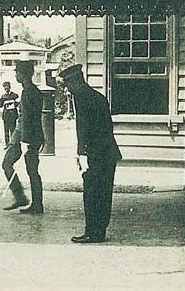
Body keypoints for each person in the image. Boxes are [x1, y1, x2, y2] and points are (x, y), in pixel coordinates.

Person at [58, 64, 122, 243]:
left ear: (76, 82)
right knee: (100, 193)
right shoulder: (92, 97)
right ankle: (97, 231)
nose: (68, 89)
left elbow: (89, 130)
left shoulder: (85, 99)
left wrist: (84, 154)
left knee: (94, 193)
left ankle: (94, 232)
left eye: (69, 85)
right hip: (103, 154)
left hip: (99, 155)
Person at [2, 60, 44, 214]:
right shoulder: (31, 90)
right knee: (31, 169)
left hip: (25, 136)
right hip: (27, 135)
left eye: (17, 72)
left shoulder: (29, 92)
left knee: (12, 165)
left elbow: (28, 118)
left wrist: (24, 140)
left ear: (23, 74)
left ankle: (28, 200)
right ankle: (29, 200)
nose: (15, 75)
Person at [0, 81, 20, 145]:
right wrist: (3, 102)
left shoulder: (14, 95)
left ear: (10, 87)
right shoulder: (3, 97)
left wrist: (14, 103)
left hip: (13, 115)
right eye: (5, 88)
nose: (6, 89)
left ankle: (13, 143)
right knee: (6, 131)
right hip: (6, 115)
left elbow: (18, 103)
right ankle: (7, 144)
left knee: (13, 130)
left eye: (7, 88)